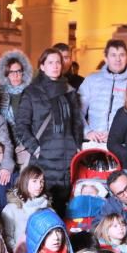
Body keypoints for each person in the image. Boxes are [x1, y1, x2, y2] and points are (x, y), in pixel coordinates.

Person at [15, 48, 84, 210]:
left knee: (63, 209)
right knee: (41, 206)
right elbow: (21, 125)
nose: (55, 66)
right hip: (43, 159)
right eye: (50, 62)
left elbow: (76, 123)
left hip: (67, 159)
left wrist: (76, 146)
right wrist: (36, 149)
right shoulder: (32, 92)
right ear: (42, 66)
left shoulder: (69, 91)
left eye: (58, 62)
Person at [79, 39, 127, 142]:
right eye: (113, 55)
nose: (118, 59)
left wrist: (118, 136)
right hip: (94, 143)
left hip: (121, 144)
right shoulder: (91, 80)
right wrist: (87, 132)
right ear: (106, 58)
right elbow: (77, 109)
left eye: (122, 55)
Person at [1, 165, 50, 253]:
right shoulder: (11, 208)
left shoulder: (47, 206)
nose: (39, 185)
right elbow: (7, 237)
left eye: (41, 181)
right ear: (25, 181)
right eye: (34, 181)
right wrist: (19, 252)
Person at [0, 49, 33, 137]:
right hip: (5, 138)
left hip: (27, 139)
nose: (15, 75)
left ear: (23, 73)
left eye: (18, 71)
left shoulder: (31, 92)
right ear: (6, 74)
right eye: (11, 72)